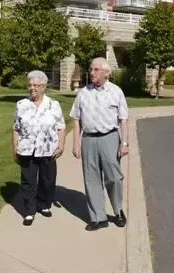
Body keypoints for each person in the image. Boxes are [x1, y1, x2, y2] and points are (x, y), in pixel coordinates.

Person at [70, 57, 129, 231]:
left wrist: (124, 143)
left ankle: (118, 211)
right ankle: (98, 217)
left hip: (109, 137)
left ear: (106, 72)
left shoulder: (116, 92)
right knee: (91, 179)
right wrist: (76, 143)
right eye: (91, 69)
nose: (92, 72)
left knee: (114, 177)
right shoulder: (83, 93)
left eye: (96, 69)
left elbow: (123, 119)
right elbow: (76, 120)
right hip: (88, 139)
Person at [12, 70, 66, 226]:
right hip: (27, 149)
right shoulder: (21, 105)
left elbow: (61, 127)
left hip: (48, 148)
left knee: (47, 180)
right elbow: (16, 128)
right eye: (30, 85)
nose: (32, 88)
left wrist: (61, 146)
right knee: (28, 180)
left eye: (36, 85)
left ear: (44, 87)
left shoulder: (53, 105)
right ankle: (29, 210)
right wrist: (14, 148)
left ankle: (44, 204)